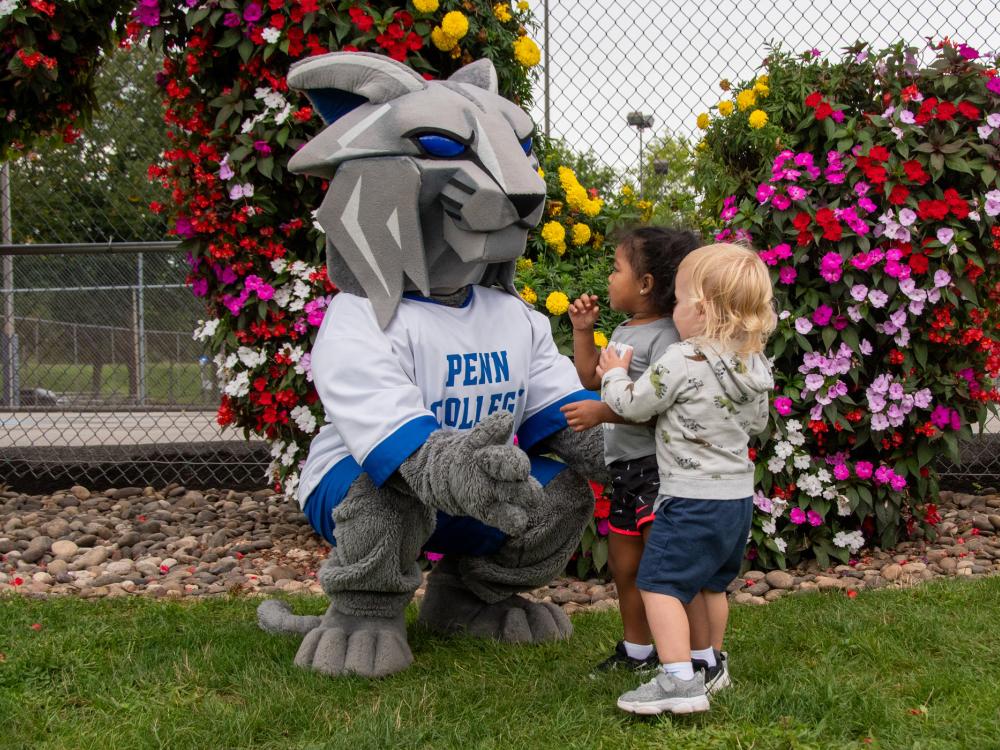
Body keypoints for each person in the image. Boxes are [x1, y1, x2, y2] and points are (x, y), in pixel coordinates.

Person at [598, 242, 775, 715]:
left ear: (700, 309)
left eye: (676, 301)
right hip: (735, 499)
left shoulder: (682, 358)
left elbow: (633, 404)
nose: (672, 309)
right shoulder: (754, 365)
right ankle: (710, 664)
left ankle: (677, 682)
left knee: (659, 585)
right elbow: (757, 424)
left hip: (689, 496)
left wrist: (614, 374)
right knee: (712, 585)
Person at [560, 226, 699, 675]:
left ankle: (686, 655)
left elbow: (660, 410)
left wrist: (604, 414)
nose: (609, 277)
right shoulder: (622, 330)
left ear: (645, 284)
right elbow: (589, 377)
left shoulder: (666, 339)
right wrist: (584, 331)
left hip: (656, 468)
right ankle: (637, 650)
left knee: (659, 565)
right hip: (625, 469)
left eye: (616, 269)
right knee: (624, 565)